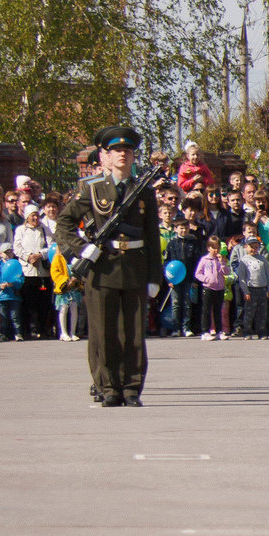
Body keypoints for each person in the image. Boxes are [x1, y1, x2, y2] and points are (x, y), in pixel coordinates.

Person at [54, 125, 160, 406]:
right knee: (103, 332)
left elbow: (152, 235)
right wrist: (80, 249)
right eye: (116, 151)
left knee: (134, 334)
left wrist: (154, 276)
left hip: (135, 267)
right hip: (102, 268)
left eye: (127, 150)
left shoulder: (144, 191)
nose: (123, 155)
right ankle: (109, 386)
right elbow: (63, 225)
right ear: (106, 156)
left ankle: (131, 388)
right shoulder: (91, 189)